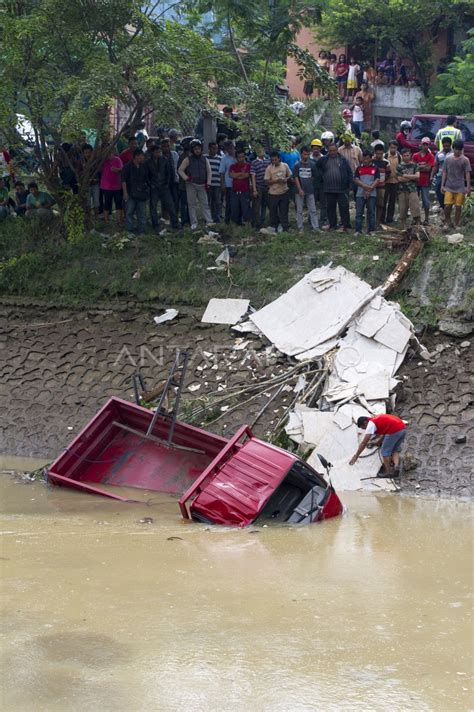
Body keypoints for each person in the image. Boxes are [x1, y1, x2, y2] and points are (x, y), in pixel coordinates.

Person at [178, 139, 214, 230]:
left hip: (202, 184)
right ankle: (194, 222)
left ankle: (209, 221)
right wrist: (186, 178)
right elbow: (180, 170)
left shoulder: (205, 159)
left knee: (205, 203)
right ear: (192, 150)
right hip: (191, 184)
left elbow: (209, 171)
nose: (197, 150)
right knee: (191, 204)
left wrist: (208, 182)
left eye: (199, 148)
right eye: (195, 149)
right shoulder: (188, 159)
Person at [319, 143, 353, 232]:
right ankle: (332, 225)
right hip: (328, 188)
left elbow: (349, 172)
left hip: (342, 188)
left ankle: (345, 225)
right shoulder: (323, 160)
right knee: (330, 208)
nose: (332, 152)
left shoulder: (343, 159)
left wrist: (350, 185)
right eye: (330, 151)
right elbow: (317, 170)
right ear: (327, 151)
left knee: (344, 207)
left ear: (337, 150)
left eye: (334, 150)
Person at [146, 144, 179, 230]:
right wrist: (151, 185)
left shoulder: (164, 160)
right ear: (152, 153)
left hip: (164, 187)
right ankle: (155, 225)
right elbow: (147, 176)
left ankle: (175, 224)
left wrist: (167, 184)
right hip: (154, 187)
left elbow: (169, 173)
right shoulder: (148, 162)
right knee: (153, 207)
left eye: (159, 152)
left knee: (171, 206)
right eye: (156, 152)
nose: (158, 154)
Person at [441, 139, 471, 230]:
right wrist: (442, 185)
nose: (457, 151)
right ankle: (446, 222)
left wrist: (468, 187)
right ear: (453, 148)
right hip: (449, 186)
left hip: (460, 187)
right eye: (455, 149)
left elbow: (467, 173)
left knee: (458, 206)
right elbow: (444, 172)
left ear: (461, 150)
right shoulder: (448, 159)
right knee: (447, 205)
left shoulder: (465, 160)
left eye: (459, 149)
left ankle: (456, 223)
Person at [261, 151, 291, 234]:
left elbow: (289, 175)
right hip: (273, 193)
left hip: (284, 192)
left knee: (284, 211)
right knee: (273, 211)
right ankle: (274, 226)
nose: (274, 161)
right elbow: (266, 181)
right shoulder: (269, 168)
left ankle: (285, 226)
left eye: (275, 160)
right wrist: (276, 181)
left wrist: (286, 179)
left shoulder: (285, 165)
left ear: (279, 159)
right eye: (272, 160)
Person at [122, 148, 149, 234]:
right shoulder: (127, 166)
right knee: (129, 212)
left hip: (141, 192)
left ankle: (142, 230)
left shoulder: (143, 166)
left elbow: (146, 179)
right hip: (130, 193)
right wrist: (125, 193)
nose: (142, 158)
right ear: (136, 157)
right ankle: (129, 230)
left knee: (142, 213)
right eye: (141, 157)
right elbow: (123, 180)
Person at [293, 145, 319, 233]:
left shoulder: (312, 164)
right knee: (299, 210)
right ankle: (300, 228)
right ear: (301, 154)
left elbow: (314, 176)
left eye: (308, 154)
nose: (306, 156)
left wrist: (309, 183)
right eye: (304, 154)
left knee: (313, 209)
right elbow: (296, 177)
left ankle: (316, 227)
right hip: (299, 191)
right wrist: (300, 189)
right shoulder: (297, 165)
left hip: (310, 190)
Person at [353, 150, 379, 235]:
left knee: (371, 212)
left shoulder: (375, 168)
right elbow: (356, 180)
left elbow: (377, 180)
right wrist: (366, 187)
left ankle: (371, 230)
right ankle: (358, 230)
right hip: (360, 194)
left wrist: (369, 189)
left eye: (367, 158)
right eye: (364, 158)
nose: (365, 160)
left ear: (371, 158)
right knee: (359, 212)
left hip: (372, 194)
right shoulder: (359, 168)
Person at [396, 148, 421, 229]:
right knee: (402, 209)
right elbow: (399, 179)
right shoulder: (399, 166)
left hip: (412, 189)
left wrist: (406, 175)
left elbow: (417, 176)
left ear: (410, 155)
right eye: (404, 156)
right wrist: (412, 177)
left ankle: (418, 227)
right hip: (402, 190)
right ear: (402, 156)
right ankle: (403, 228)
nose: (406, 157)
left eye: (408, 155)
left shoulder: (415, 165)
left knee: (415, 208)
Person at [413, 137, 435, 225]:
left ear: (429, 145)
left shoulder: (431, 156)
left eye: (427, 145)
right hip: (415, 181)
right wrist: (423, 167)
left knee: (426, 201)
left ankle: (426, 219)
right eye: (424, 144)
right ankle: (416, 219)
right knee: (415, 201)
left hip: (425, 182)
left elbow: (428, 169)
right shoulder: (415, 155)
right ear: (421, 145)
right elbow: (413, 168)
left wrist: (419, 167)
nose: (425, 146)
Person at [100, 147, 123, 225]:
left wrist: (117, 170)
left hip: (117, 185)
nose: (108, 155)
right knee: (107, 203)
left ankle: (118, 220)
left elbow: (122, 169)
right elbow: (99, 169)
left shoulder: (117, 159)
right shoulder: (102, 161)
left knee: (118, 203)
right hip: (106, 186)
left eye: (109, 153)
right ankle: (106, 220)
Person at [229, 148, 251, 225]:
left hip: (245, 190)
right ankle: (236, 224)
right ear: (236, 158)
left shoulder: (248, 165)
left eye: (242, 157)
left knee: (245, 208)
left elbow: (246, 175)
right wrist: (240, 174)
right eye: (239, 157)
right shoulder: (232, 166)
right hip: (235, 190)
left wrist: (237, 174)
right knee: (235, 208)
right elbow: (232, 175)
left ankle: (247, 224)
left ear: (245, 157)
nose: (241, 159)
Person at [250, 145, 270, 229]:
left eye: (261, 150)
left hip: (267, 186)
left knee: (265, 204)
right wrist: (254, 189)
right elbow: (253, 176)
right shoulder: (254, 162)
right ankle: (256, 223)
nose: (260, 152)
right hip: (258, 185)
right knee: (256, 206)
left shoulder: (268, 161)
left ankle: (263, 221)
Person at [431, 136, 453, 210]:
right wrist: (432, 175)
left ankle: (448, 207)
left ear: (450, 145)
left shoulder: (453, 154)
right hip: (440, 176)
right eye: (444, 146)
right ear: (442, 145)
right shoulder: (439, 154)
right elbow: (435, 165)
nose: (446, 147)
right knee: (438, 189)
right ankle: (443, 206)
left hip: (450, 176)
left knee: (449, 192)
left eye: (448, 146)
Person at [372, 143, 390, 228]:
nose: (379, 155)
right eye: (377, 153)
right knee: (371, 205)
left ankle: (377, 222)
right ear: (374, 153)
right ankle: (371, 222)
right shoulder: (371, 161)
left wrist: (383, 180)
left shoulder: (386, 162)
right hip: (371, 186)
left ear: (383, 152)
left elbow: (388, 173)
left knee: (380, 204)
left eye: (381, 153)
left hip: (381, 186)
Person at [205, 141, 223, 224]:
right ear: (209, 149)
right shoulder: (205, 158)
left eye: (216, 148)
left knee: (217, 202)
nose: (215, 150)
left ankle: (217, 218)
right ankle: (209, 218)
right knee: (208, 201)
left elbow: (221, 171)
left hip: (217, 183)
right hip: (208, 184)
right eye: (213, 148)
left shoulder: (220, 158)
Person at [383, 141, 401, 224]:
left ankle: (390, 218)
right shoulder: (385, 156)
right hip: (386, 182)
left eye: (394, 147)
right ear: (389, 147)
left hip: (395, 182)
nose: (393, 149)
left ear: (397, 148)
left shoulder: (399, 157)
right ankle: (382, 217)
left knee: (392, 201)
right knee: (384, 200)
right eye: (391, 147)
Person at [311, 139, 327, 226]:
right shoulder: (308, 158)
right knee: (312, 203)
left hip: (322, 184)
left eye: (317, 148)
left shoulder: (324, 158)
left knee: (323, 203)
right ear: (312, 149)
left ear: (320, 148)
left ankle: (323, 220)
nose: (316, 150)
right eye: (314, 148)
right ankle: (312, 220)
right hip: (312, 185)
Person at [219, 140, 236, 225]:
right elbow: (221, 172)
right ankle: (227, 220)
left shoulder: (238, 157)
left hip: (238, 184)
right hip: (228, 184)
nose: (230, 150)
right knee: (229, 203)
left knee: (236, 203)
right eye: (228, 148)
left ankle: (236, 219)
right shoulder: (224, 159)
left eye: (231, 148)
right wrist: (222, 184)